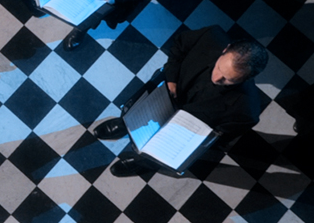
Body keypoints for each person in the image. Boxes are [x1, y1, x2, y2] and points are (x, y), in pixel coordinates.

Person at [93, 26, 266, 177]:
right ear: (225, 49)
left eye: (228, 80)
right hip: (166, 92)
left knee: (161, 152)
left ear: (246, 79)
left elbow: (216, 139)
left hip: (186, 127)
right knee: (140, 110)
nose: (216, 78)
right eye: (219, 68)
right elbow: (178, 49)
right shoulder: (209, 36)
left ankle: (146, 161)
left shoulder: (246, 111)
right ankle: (126, 124)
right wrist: (171, 80)